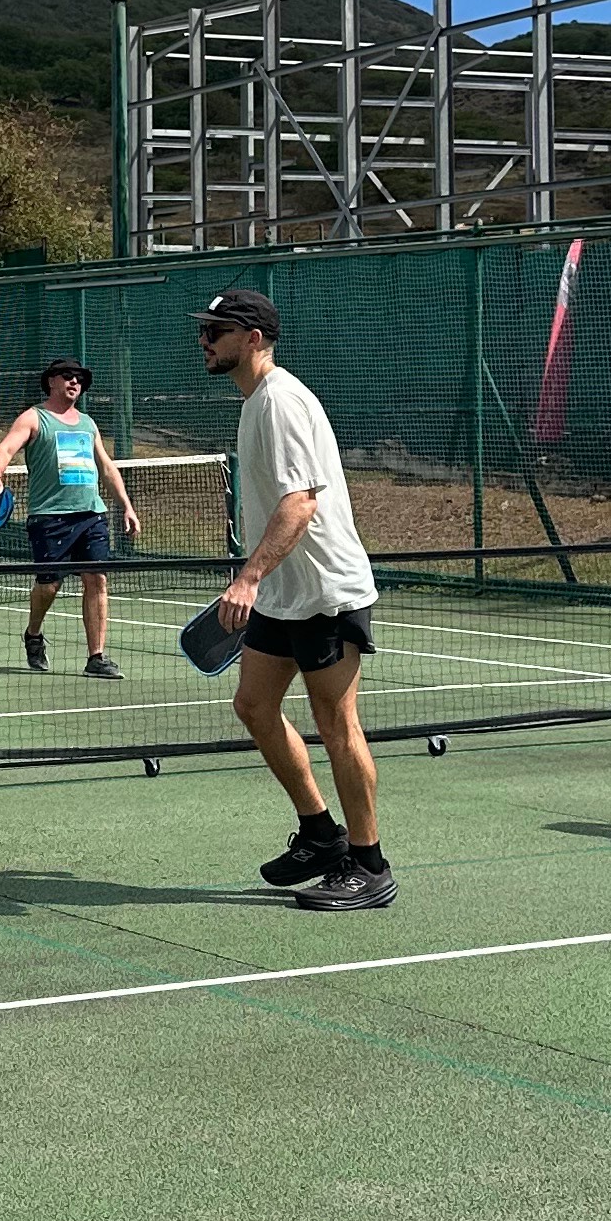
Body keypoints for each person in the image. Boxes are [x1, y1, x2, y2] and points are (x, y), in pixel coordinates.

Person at [198, 286, 392, 912]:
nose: (204, 340)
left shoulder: (280, 401)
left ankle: (369, 865)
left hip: (326, 593)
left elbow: (301, 503)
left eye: (216, 331)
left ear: (251, 339)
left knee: (336, 724)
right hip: (284, 593)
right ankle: (320, 834)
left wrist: (248, 578)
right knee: (254, 706)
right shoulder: (255, 401)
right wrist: (262, 580)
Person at [0, 358, 143, 676]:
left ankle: (96, 657)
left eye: (80, 379)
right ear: (51, 381)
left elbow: (107, 468)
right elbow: (4, 448)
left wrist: (126, 505)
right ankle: (33, 634)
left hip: (92, 515)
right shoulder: (34, 418)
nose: (75, 382)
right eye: (68, 376)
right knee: (49, 586)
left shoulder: (88, 423)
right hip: (50, 517)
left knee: (97, 579)